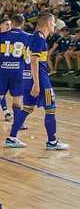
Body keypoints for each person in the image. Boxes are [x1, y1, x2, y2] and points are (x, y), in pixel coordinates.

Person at [5, 13, 69, 150]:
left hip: (27, 78)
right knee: (50, 109)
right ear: (47, 23)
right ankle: (52, 141)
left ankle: (12, 137)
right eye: (53, 23)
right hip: (40, 79)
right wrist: (37, 83)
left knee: (27, 108)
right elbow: (34, 61)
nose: (54, 26)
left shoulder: (31, 38)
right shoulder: (39, 38)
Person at [0, 14, 30, 132]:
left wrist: (1, 65)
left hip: (3, 70)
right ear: (22, 23)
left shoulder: (1, 36)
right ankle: (18, 123)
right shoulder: (28, 37)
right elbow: (27, 57)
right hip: (18, 71)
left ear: (12, 22)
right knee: (17, 98)